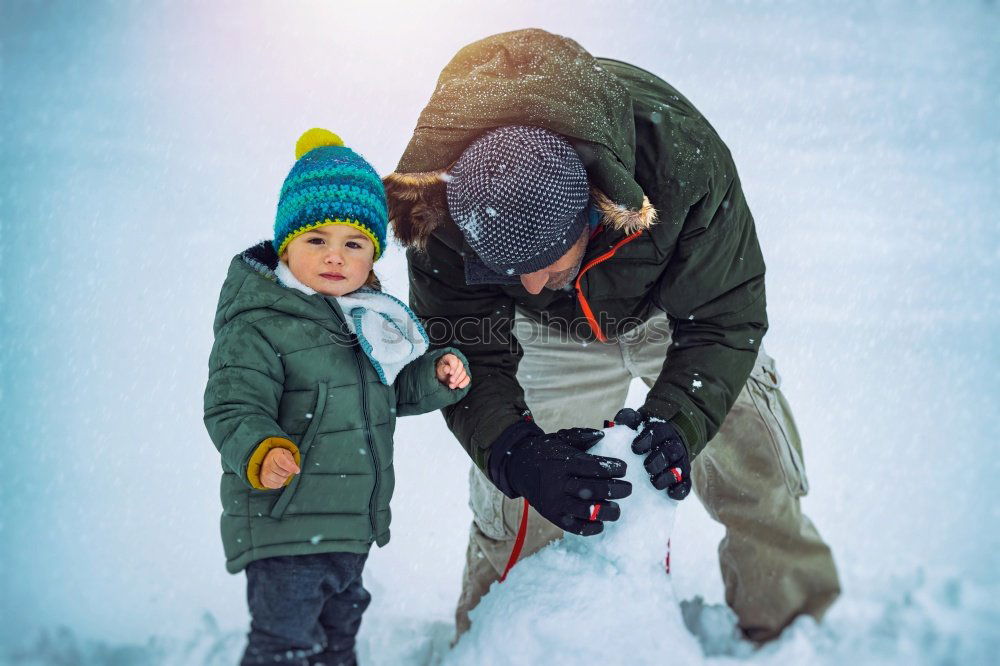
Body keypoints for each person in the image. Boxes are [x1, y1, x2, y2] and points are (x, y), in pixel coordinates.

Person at [383, 30, 841, 643]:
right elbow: (465, 351)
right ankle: (491, 647)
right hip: (543, 339)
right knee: (523, 505)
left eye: (545, 259)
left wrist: (681, 419)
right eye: (505, 266)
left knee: (757, 468)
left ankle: (793, 633)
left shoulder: (682, 159)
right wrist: (516, 451)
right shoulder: (441, 212)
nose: (530, 282)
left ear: (595, 208)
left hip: (672, 314)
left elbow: (725, 317)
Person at [203, 128, 471, 665]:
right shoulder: (261, 324)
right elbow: (233, 405)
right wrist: (261, 449)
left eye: (353, 244)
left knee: (338, 643)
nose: (334, 257)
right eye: (316, 239)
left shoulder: (366, 320)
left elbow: (387, 394)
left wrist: (436, 376)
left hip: (351, 530)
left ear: (372, 255)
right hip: (286, 523)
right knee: (285, 645)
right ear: (286, 244)